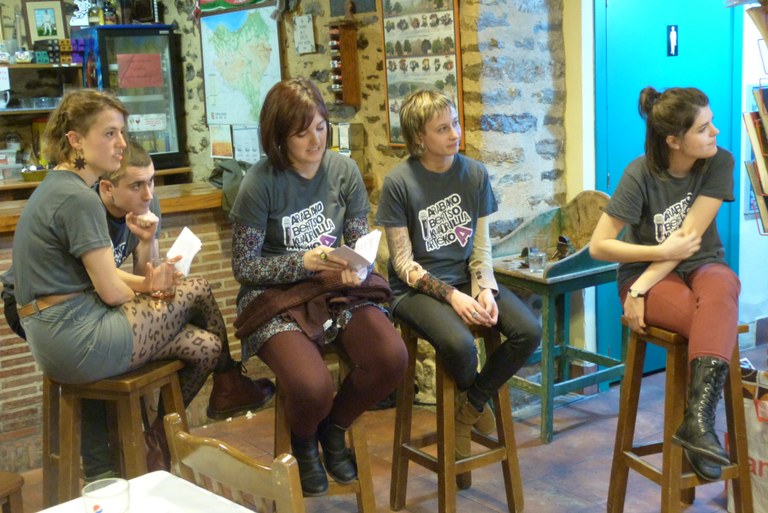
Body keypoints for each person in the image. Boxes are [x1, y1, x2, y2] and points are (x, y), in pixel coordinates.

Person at [10, 89, 273, 474]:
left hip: (64, 331)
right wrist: (151, 285)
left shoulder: (62, 186)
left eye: (122, 132)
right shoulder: (79, 198)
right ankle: (228, 383)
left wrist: (149, 276)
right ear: (75, 140)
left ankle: (157, 438)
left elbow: (107, 279)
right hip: (75, 337)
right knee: (197, 288)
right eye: (109, 133)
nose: (120, 143)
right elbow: (113, 291)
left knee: (205, 345)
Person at [229, 78, 407, 496]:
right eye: (302, 132)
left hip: (331, 287)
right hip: (274, 296)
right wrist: (301, 261)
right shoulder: (259, 182)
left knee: (390, 358)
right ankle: (304, 440)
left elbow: (359, 240)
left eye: (321, 127)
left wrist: (358, 269)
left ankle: (334, 428)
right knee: (312, 386)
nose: (315, 140)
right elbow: (245, 267)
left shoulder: (343, 171)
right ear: (278, 136)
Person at [375, 90, 541, 465]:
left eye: (455, 123)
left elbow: (481, 248)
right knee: (461, 345)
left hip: (465, 278)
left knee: (528, 331)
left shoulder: (475, 174)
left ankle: (470, 407)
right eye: (442, 128)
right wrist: (452, 296)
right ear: (419, 137)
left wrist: (484, 289)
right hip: (413, 291)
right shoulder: (399, 183)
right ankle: (473, 404)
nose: (455, 133)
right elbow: (403, 264)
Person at [589, 86, 739, 482]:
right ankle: (699, 427)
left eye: (711, 123)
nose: (715, 132)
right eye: (703, 128)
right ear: (674, 141)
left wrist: (645, 283)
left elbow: (688, 240)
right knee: (711, 323)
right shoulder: (639, 173)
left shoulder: (719, 161)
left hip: (697, 264)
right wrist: (640, 283)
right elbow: (599, 246)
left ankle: (697, 423)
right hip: (643, 275)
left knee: (724, 285)